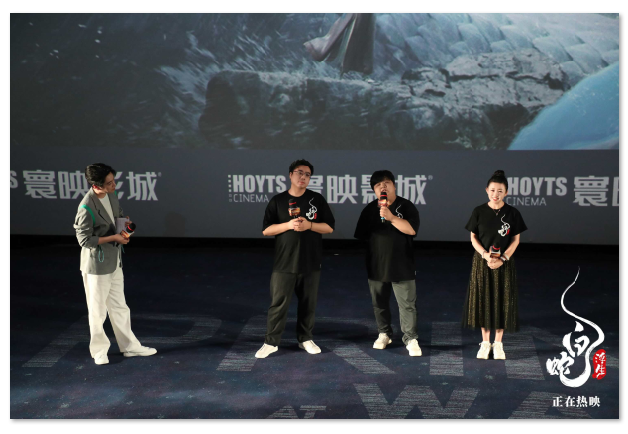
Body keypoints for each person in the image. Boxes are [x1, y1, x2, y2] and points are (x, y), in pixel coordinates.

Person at [73, 163, 156, 365]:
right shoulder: (86, 207)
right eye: (109, 183)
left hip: (114, 260)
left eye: (113, 181)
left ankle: (130, 347)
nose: (114, 185)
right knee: (98, 311)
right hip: (97, 266)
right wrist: (114, 238)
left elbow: (117, 215)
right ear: (96, 185)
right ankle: (99, 351)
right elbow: (84, 240)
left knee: (120, 306)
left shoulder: (111, 195)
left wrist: (124, 227)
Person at [255, 159, 335, 358]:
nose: (303, 177)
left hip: (310, 261)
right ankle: (271, 342)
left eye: (307, 174)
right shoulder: (278, 200)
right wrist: (289, 225)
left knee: (308, 304)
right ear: (290, 175)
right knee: (278, 304)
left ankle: (305, 338)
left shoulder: (316, 199)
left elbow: (329, 227)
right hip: (284, 262)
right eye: (300, 172)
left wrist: (309, 225)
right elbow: (266, 230)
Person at [354, 170, 422, 356]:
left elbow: (411, 230)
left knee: (407, 304)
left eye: (386, 183)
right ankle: (384, 333)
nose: (382, 187)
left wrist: (391, 217)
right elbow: (362, 236)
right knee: (379, 303)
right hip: (377, 265)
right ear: (374, 191)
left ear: (394, 185)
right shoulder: (369, 210)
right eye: (378, 185)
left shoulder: (406, 206)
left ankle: (410, 338)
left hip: (402, 264)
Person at [462, 170, 528, 360]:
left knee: (502, 301)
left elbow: (515, 240)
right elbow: (473, 237)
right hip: (482, 262)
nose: (495, 194)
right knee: (483, 300)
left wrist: (503, 259)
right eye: (492, 190)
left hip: (504, 263)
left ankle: (498, 343)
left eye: (500, 191)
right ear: (486, 190)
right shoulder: (479, 211)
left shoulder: (513, 213)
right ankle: (485, 343)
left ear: (506, 192)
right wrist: (485, 255)